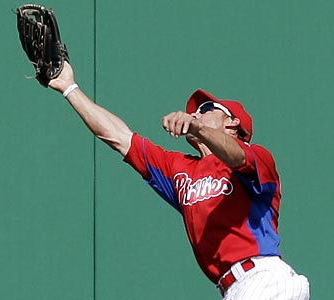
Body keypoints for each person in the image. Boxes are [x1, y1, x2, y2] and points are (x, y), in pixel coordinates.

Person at [48, 61, 310, 299]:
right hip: (236, 289)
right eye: (194, 113)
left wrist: (198, 128)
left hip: (265, 280)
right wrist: (69, 87)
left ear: (233, 123)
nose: (195, 114)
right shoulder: (181, 169)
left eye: (206, 109)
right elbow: (119, 137)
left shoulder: (257, 157)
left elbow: (238, 157)